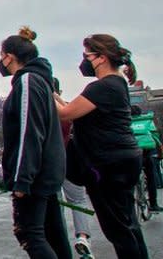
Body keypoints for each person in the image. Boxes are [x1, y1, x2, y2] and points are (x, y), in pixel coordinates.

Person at [55, 34, 149, 258]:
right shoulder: (115, 84)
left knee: (118, 229)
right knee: (127, 224)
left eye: (86, 55)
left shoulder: (103, 87)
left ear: (101, 58)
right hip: (122, 160)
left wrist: (40, 90)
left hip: (109, 164)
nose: (84, 61)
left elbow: (66, 113)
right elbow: (74, 107)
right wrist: (55, 95)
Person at [0, 27, 71, 259]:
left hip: (36, 175)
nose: (0, 61)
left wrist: (22, 179)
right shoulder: (39, 80)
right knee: (53, 234)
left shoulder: (28, 81)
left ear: (9, 56)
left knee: (30, 234)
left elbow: (30, 132)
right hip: (45, 172)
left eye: (1, 55)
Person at [53, 77, 95, 258]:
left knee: (56, 206)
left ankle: (59, 242)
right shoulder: (67, 110)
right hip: (70, 161)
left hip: (50, 165)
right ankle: (83, 237)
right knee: (77, 201)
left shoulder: (37, 110)